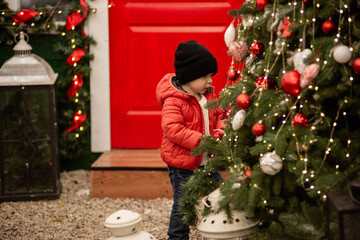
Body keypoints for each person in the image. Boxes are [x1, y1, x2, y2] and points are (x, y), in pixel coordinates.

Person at [156, 40, 224, 240]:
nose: (210, 81)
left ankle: (216, 228)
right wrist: (202, 140)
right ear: (188, 77)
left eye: (211, 76)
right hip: (183, 164)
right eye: (204, 76)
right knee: (184, 203)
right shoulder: (175, 100)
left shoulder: (208, 96)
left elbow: (218, 116)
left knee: (218, 194)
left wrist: (220, 131)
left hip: (206, 162)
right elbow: (172, 128)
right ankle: (177, 237)